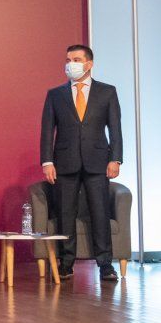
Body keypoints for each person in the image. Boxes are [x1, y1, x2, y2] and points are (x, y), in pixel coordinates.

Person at [40, 44, 122, 281]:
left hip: (98, 161)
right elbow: (47, 131)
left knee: (100, 212)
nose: (70, 64)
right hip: (64, 162)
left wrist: (115, 158)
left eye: (76, 59)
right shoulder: (55, 94)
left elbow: (115, 128)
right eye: (68, 59)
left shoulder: (107, 92)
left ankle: (105, 264)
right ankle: (66, 263)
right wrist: (47, 161)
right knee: (66, 214)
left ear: (89, 64)